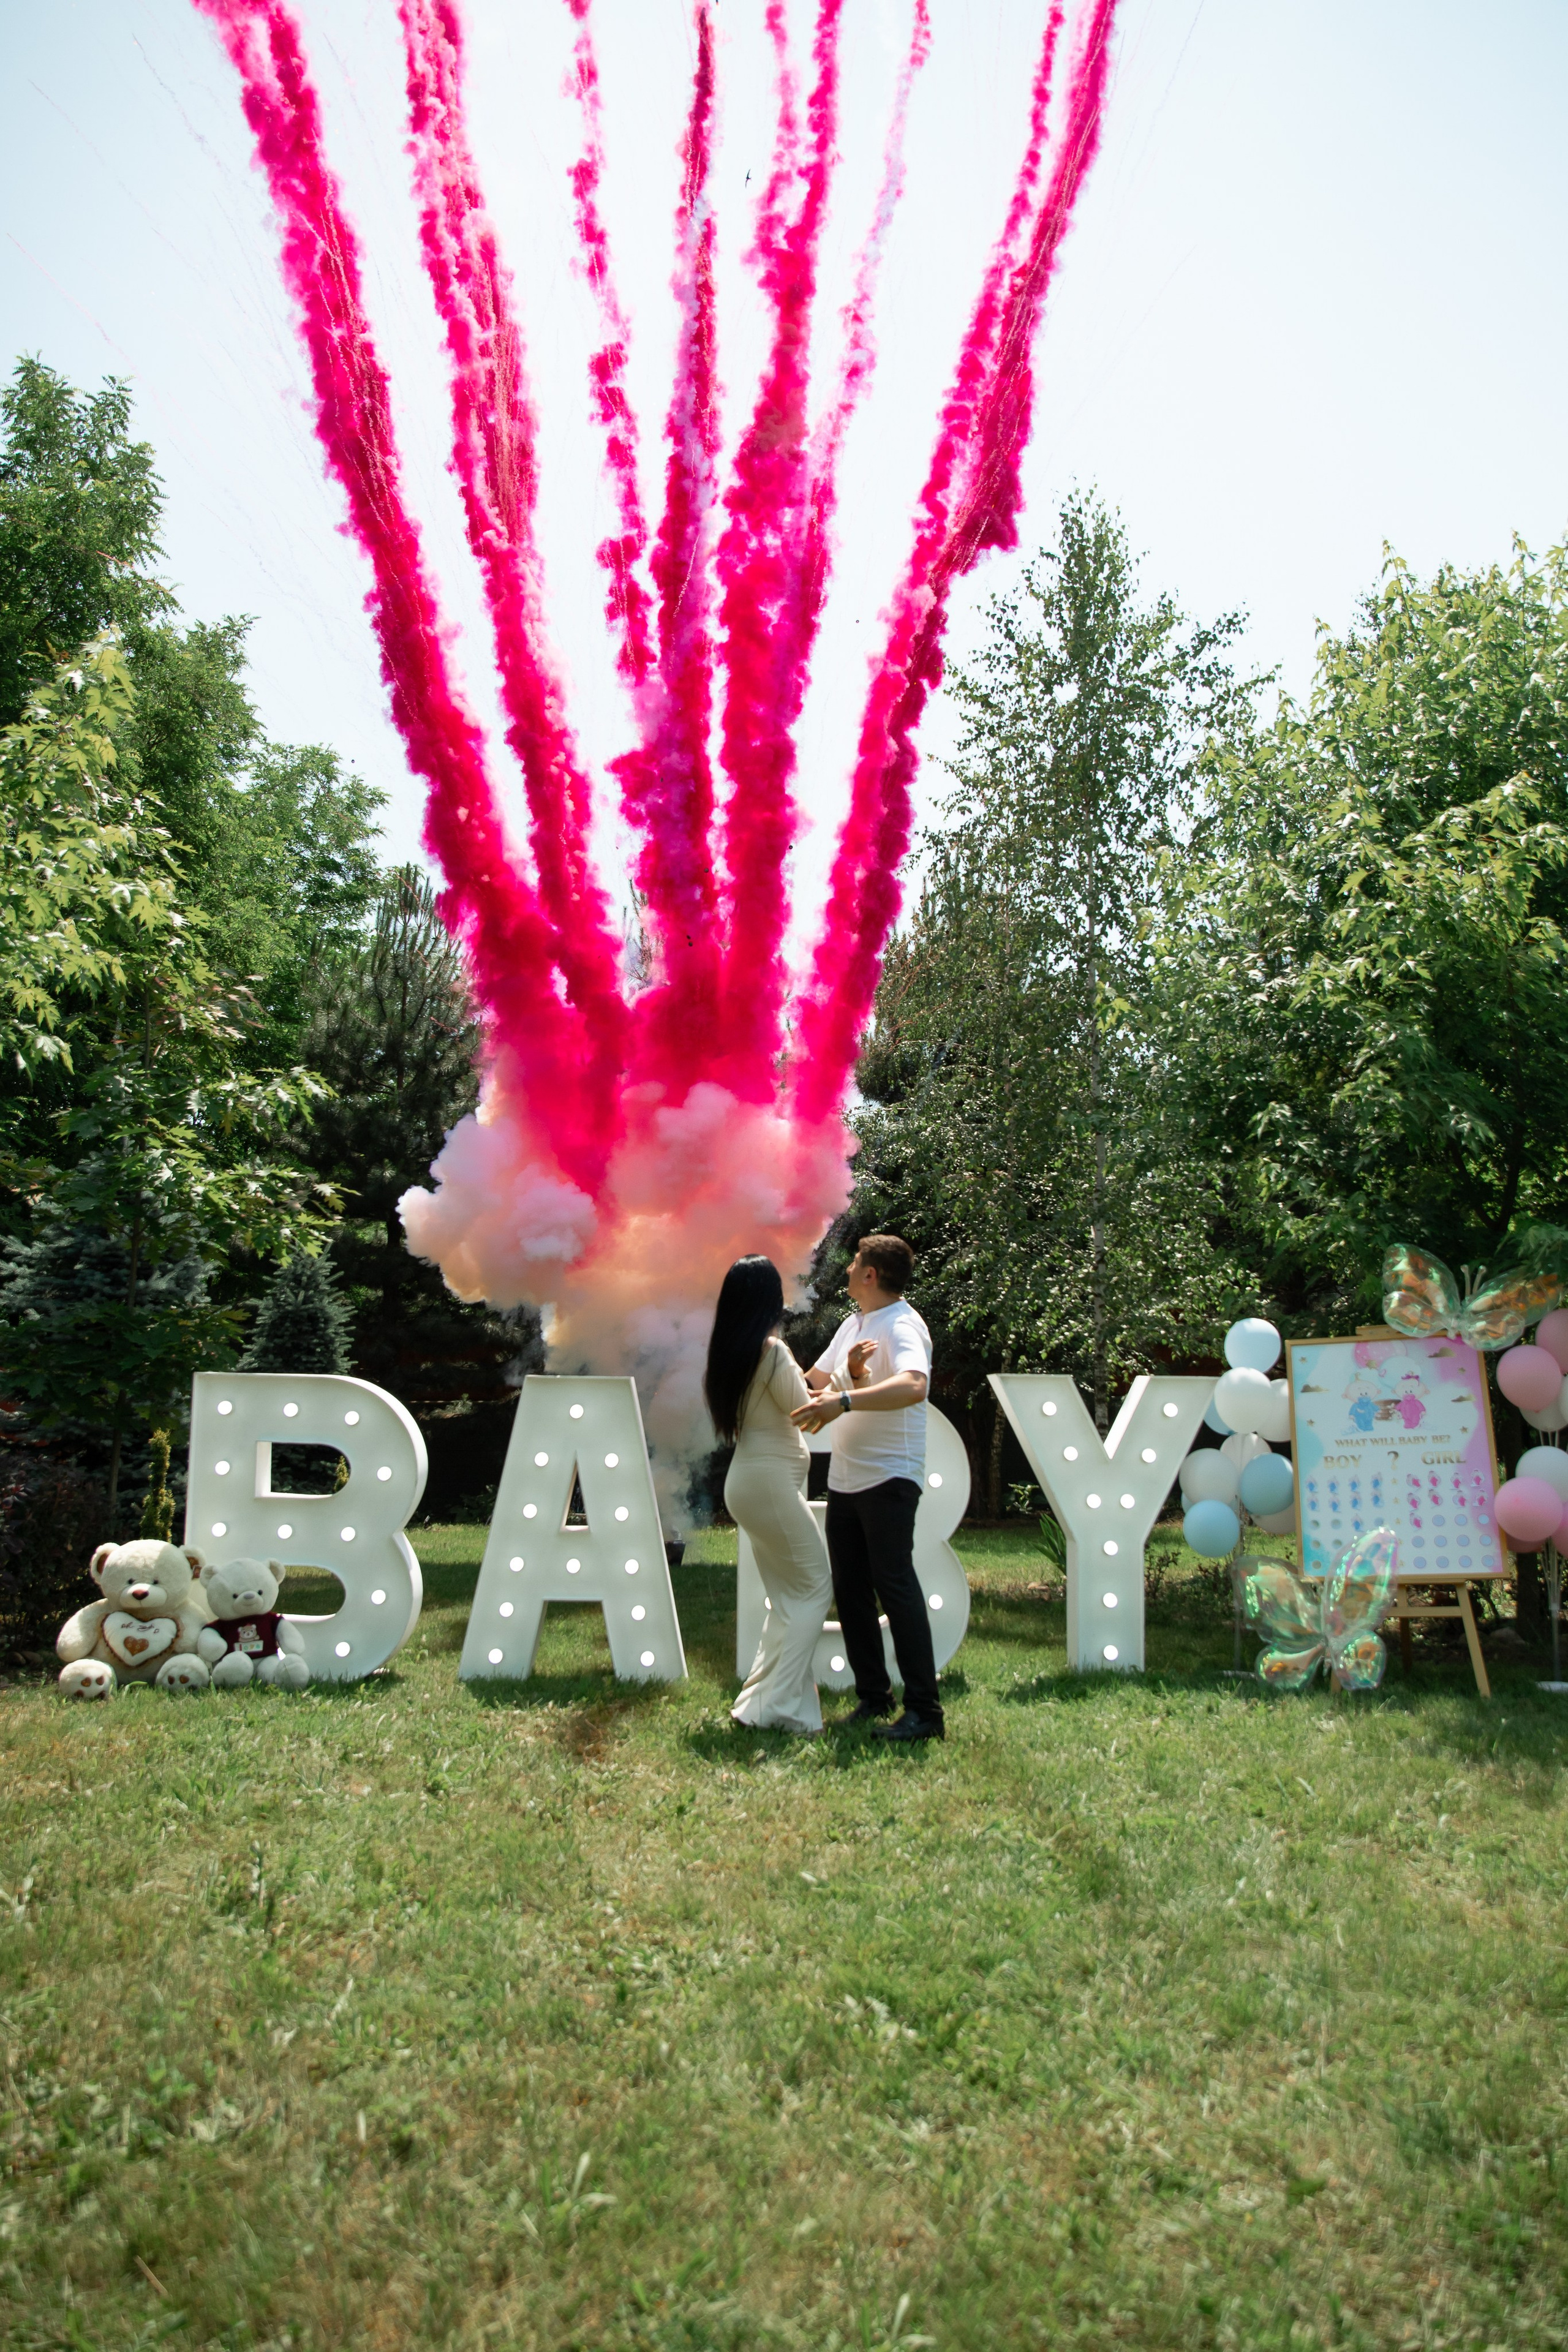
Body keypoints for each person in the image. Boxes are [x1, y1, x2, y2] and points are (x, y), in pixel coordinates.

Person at [791, 1234, 943, 1743]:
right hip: (847, 1481)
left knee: (895, 1587)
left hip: (890, 1477)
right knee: (851, 1591)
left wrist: (846, 1402)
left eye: (856, 1262)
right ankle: (874, 1698)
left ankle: (926, 1713)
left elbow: (914, 1386)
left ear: (871, 1275)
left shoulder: (903, 1323)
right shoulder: (852, 1324)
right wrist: (764, 1355)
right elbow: (812, 1383)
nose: (850, 1268)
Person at [705, 1255, 834, 1735]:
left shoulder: (730, 1354)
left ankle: (758, 1703)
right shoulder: (773, 1351)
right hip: (771, 1486)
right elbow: (808, 1414)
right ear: (769, 1299)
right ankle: (780, 1706)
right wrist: (847, 1389)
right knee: (817, 1587)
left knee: (787, 1599)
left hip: (747, 1485)